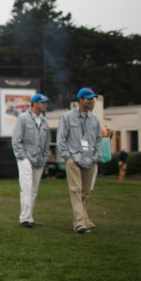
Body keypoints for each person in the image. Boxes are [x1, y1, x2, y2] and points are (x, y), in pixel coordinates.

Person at [57, 88, 103, 234]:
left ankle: (83, 218)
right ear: (80, 100)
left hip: (90, 160)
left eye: (93, 98)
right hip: (73, 159)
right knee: (75, 190)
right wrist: (68, 157)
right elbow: (61, 139)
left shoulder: (94, 119)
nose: (91, 101)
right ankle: (79, 223)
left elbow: (98, 140)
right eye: (88, 98)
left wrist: (96, 157)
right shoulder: (67, 117)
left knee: (85, 192)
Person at [12, 94, 50, 228]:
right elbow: (16, 140)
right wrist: (22, 157)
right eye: (42, 102)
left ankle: (29, 217)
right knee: (27, 188)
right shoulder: (23, 118)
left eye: (46, 102)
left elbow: (46, 143)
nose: (45, 104)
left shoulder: (44, 121)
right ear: (34, 103)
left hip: (39, 159)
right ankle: (24, 218)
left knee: (33, 189)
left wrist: (45, 157)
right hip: (26, 158)